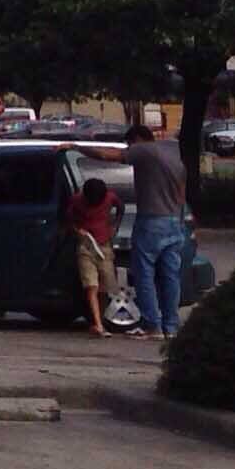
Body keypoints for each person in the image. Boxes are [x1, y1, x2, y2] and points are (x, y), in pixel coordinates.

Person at [123, 116, 192, 342]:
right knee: (171, 276)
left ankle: (151, 324)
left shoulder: (144, 151)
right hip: (174, 221)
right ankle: (171, 326)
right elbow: (182, 195)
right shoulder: (173, 157)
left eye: (130, 144)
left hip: (151, 221)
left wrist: (75, 147)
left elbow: (109, 155)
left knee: (144, 274)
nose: (129, 149)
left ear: (138, 140)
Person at [61, 174, 116, 337]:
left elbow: (120, 207)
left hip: (104, 245)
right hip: (86, 245)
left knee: (106, 284)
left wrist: (114, 226)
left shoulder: (110, 197)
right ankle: (98, 323)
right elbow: (68, 218)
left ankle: (102, 321)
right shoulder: (77, 200)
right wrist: (77, 230)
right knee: (91, 285)